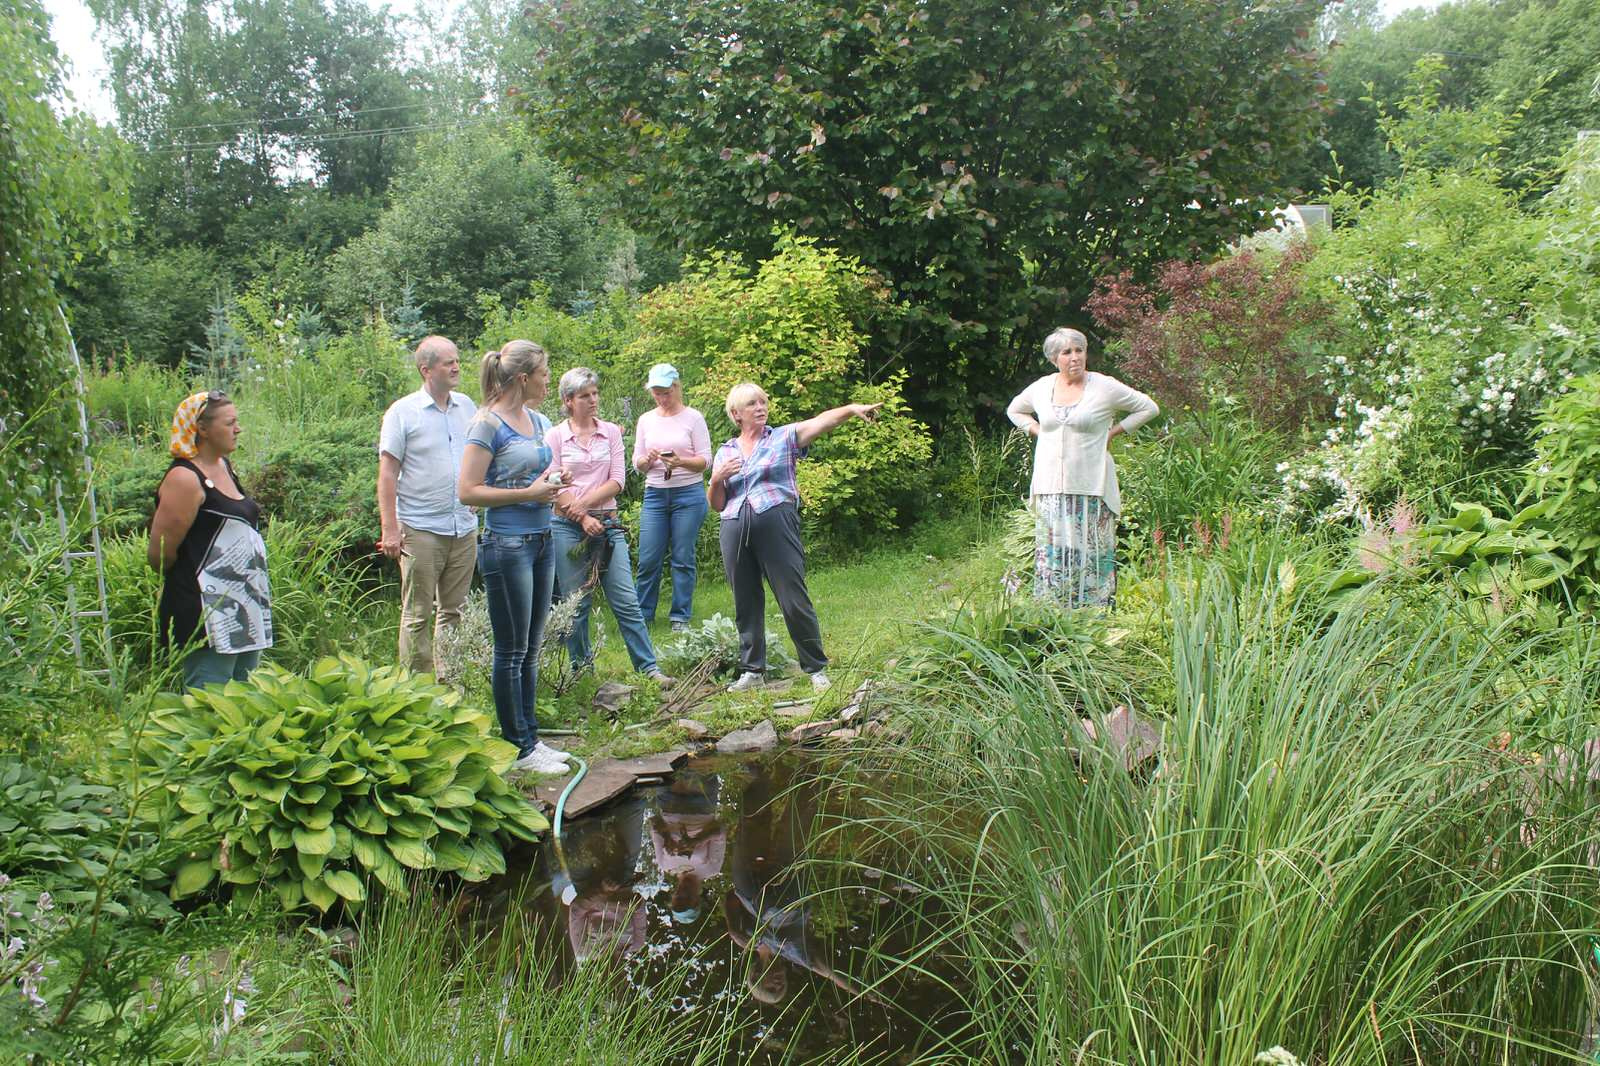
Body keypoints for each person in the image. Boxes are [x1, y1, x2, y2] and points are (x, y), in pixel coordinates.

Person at [709, 383, 881, 693]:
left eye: (763, 401)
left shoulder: (784, 437)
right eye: (752, 404)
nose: (761, 407)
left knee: (792, 596)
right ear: (737, 414)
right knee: (745, 602)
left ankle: (816, 668)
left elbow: (821, 421)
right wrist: (717, 479)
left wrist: (852, 409)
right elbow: (717, 503)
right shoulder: (725, 451)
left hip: (776, 521)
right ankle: (752, 671)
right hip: (733, 526)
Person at [456, 340, 570, 775]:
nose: (547, 379)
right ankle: (518, 748)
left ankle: (531, 738)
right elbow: (467, 491)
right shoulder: (486, 425)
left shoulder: (538, 419)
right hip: (506, 546)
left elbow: (532, 474)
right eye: (543, 373)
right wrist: (529, 493)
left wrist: (553, 480)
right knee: (512, 648)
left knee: (533, 644)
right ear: (523, 378)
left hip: (542, 539)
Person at [1006, 327, 1159, 608]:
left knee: (1092, 557)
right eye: (1067, 352)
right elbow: (1014, 409)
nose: (1075, 357)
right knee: (1054, 555)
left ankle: (1093, 622)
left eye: (1080, 350)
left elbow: (1148, 408)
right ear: (1055, 359)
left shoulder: (1104, 386)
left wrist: (1113, 432)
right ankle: (1053, 618)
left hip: (1092, 488)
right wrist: (1038, 431)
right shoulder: (1042, 387)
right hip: (1051, 487)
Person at [547, 367, 675, 687]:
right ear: (568, 400)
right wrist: (581, 516)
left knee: (625, 598)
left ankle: (649, 669)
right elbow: (551, 484)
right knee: (577, 603)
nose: (593, 400)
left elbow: (617, 480)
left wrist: (586, 506)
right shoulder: (554, 436)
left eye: (595, 393)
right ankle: (581, 672)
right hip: (566, 526)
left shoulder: (611, 432)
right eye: (585, 396)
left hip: (608, 525)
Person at [148, 390, 273, 689]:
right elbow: (161, 554)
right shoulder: (184, 479)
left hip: (245, 604)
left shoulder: (223, 466)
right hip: (208, 611)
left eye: (237, 421)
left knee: (247, 696)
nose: (238, 429)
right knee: (210, 702)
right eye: (229, 423)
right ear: (202, 429)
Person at [376, 335, 478, 676]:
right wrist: (390, 528)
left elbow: (478, 457)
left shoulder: (467, 406)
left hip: (462, 525)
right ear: (426, 370)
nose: (456, 367)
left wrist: (477, 492)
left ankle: (451, 687)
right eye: (448, 362)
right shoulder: (402, 412)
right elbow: (388, 474)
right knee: (418, 613)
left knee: (454, 611)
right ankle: (417, 690)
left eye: (457, 360)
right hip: (420, 527)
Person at [632, 363, 712, 632]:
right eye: (656, 393)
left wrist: (680, 462)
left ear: (677, 387)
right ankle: (643, 616)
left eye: (665, 392)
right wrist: (648, 459)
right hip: (655, 494)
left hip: (688, 494)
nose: (661, 398)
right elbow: (637, 463)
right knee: (648, 559)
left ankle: (680, 617)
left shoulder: (693, 418)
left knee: (682, 556)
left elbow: (705, 461)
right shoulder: (646, 420)